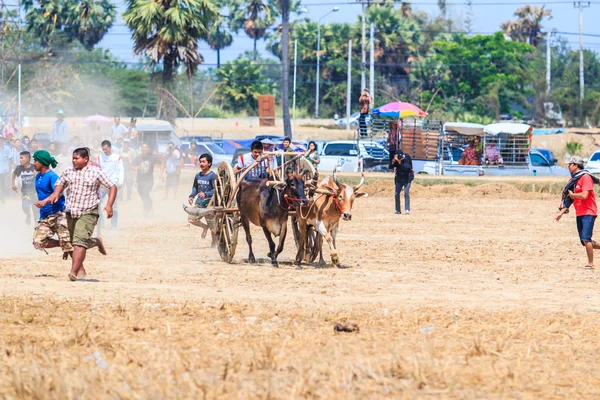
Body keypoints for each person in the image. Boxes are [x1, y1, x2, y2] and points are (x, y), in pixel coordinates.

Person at [38, 147, 116, 281]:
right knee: (74, 242)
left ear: (86, 159)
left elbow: (112, 186)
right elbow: (60, 183)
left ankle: (74, 272)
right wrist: (56, 193)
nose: (74, 161)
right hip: (71, 212)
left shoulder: (95, 172)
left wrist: (109, 205)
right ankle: (95, 242)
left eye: (77, 158)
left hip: (88, 212)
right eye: (73, 158)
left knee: (79, 242)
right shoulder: (69, 171)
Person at [556, 156, 600, 269]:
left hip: (589, 211)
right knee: (584, 241)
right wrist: (561, 213)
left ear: (576, 165)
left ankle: (591, 264)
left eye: (570, 164)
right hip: (580, 212)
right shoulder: (573, 180)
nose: (568, 166)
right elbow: (569, 199)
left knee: (586, 238)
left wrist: (573, 195)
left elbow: (584, 196)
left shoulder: (585, 177)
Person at [31, 150, 74, 261]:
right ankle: (62, 244)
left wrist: (45, 201)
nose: (33, 162)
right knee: (38, 242)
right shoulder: (37, 176)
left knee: (67, 244)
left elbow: (58, 193)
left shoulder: (52, 176)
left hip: (59, 213)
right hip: (45, 215)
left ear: (42, 162)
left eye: (35, 160)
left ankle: (79, 270)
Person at [188, 153, 217, 243]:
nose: (201, 164)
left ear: (209, 163)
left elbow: (216, 190)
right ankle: (205, 227)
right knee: (191, 218)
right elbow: (195, 188)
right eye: (200, 162)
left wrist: (206, 194)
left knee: (213, 227)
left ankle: (214, 244)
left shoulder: (212, 176)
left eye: (204, 162)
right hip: (199, 203)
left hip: (209, 204)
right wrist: (192, 196)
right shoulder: (198, 176)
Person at [97, 140, 123, 229]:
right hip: (103, 184)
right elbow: (98, 170)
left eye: (106, 149)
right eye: (103, 149)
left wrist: (120, 182)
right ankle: (101, 224)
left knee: (113, 205)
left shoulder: (117, 157)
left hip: (113, 184)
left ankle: (113, 226)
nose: (104, 151)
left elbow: (121, 170)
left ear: (110, 147)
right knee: (97, 203)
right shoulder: (100, 157)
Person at [131, 143, 161, 217]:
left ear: (149, 149)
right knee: (143, 195)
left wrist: (161, 174)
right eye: (143, 147)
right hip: (139, 181)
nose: (144, 148)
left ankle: (146, 211)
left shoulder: (153, 157)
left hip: (149, 180)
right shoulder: (138, 158)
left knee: (145, 193)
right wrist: (136, 168)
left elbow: (161, 163)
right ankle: (149, 206)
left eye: (146, 147)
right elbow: (130, 165)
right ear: (141, 149)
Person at [12, 151, 39, 225]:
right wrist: (13, 184)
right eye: (19, 158)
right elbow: (13, 174)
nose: (20, 160)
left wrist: (36, 174)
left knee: (35, 210)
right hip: (25, 192)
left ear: (27, 159)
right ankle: (28, 215)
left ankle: (36, 226)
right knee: (25, 207)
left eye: (21, 158)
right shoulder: (19, 168)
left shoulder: (34, 167)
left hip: (34, 192)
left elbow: (41, 174)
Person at [389, 149, 413, 215]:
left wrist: (400, 162)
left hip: (407, 178)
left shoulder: (406, 158)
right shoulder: (396, 160)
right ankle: (397, 210)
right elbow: (390, 167)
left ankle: (407, 209)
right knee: (396, 194)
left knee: (406, 192)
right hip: (399, 179)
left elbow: (406, 168)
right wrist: (393, 162)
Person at [0, 136, 12, 203]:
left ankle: (3, 197)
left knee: (3, 185)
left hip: (4, 171)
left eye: (1, 139)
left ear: (3, 140)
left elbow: (10, 159)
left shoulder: (7, 149)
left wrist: (10, 170)